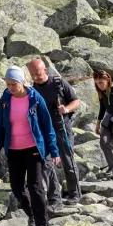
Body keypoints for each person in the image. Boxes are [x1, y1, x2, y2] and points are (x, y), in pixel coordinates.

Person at [0, 66, 60, 226]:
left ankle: (42, 223)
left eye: (14, 84)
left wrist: (54, 151)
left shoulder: (36, 98)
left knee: (35, 186)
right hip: (13, 149)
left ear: (22, 82)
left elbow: (47, 127)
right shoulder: (5, 99)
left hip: (33, 149)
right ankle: (32, 215)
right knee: (16, 187)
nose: (10, 88)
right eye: (8, 84)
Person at [27, 58, 82, 206]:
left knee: (67, 161)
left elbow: (76, 101)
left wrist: (67, 109)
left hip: (62, 127)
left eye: (37, 73)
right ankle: (55, 198)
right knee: (46, 163)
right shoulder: (32, 90)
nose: (35, 77)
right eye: (32, 74)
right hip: (44, 131)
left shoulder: (58, 83)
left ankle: (75, 194)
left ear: (45, 70)